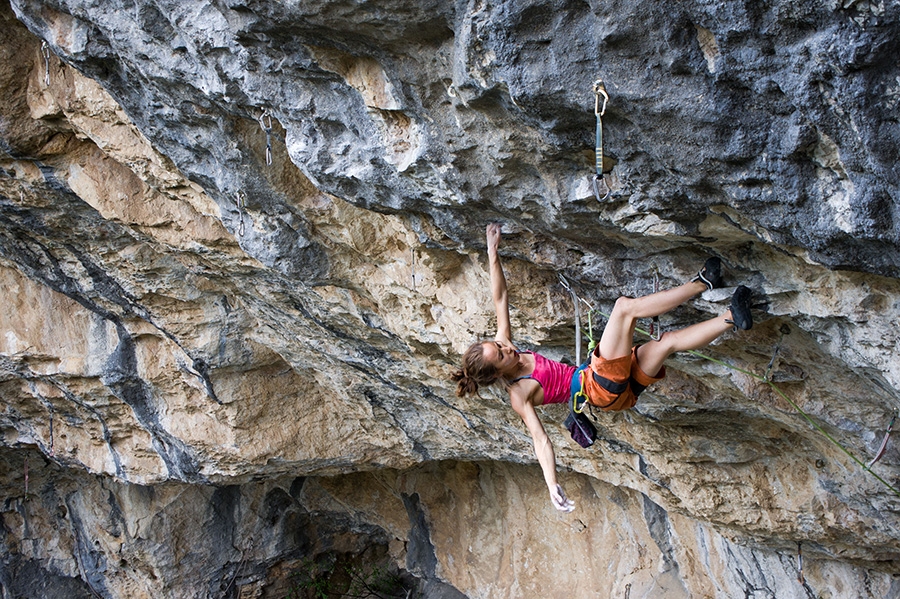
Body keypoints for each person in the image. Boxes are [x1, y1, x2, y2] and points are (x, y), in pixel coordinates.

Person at [452, 223, 753, 513]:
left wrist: (492, 251)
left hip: (614, 394)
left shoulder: (506, 347)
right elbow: (540, 439)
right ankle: (702, 283)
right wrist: (552, 483)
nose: (507, 347)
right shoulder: (519, 393)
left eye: (500, 344)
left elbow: (500, 297)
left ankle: (731, 316)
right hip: (596, 385)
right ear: (496, 373)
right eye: (502, 355)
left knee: (666, 343)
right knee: (624, 308)